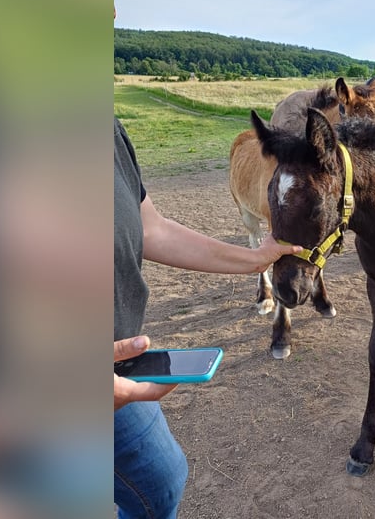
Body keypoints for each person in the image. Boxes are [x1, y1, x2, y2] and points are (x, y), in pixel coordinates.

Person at [113, 118, 301, 518]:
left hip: (117, 365)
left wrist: (254, 261)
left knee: (160, 481)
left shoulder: (107, 132)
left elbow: (153, 230)